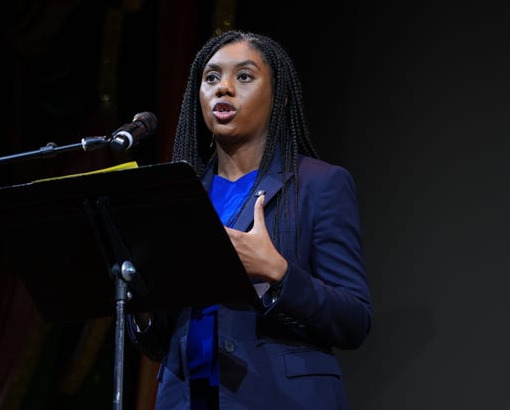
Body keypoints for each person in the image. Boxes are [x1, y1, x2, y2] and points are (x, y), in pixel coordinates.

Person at [127, 30, 372, 410]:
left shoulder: (320, 184)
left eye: (243, 76)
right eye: (211, 78)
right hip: (186, 399)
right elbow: (163, 337)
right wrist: (140, 293)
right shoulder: (178, 196)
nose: (223, 88)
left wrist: (278, 272)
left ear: (281, 97)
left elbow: (354, 319)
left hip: (278, 398)